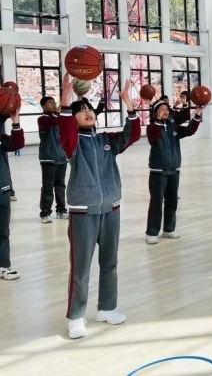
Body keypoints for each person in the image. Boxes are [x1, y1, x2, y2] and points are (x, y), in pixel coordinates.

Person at [57, 75, 141, 339]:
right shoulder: (73, 143)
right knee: (81, 268)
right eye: (81, 111)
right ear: (73, 119)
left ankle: (107, 308)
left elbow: (132, 135)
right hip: (83, 211)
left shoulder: (106, 140)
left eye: (90, 109)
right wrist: (66, 98)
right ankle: (76, 317)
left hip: (111, 209)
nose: (88, 113)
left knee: (110, 262)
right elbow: (65, 131)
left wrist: (128, 104)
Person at [145, 97, 204, 244]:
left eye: (166, 109)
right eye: (161, 109)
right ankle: (152, 232)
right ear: (155, 113)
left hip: (174, 171)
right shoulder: (152, 127)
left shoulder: (173, 126)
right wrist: (158, 121)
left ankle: (169, 229)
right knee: (156, 203)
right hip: (158, 171)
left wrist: (197, 113)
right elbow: (153, 138)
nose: (165, 111)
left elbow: (189, 131)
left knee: (172, 202)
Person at [0, 108, 24, 281]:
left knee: (3, 231)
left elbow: (17, 144)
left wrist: (15, 121)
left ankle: (4, 266)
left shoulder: (1, 138)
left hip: (2, 189)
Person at [38, 97, 68, 223]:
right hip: (48, 158)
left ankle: (61, 210)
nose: (53, 105)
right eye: (49, 103)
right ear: (43, 106)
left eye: (54, 103)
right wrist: (63, 101)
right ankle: (45, 213)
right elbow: (53, 119)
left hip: (61, 157)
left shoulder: (58, 119)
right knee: (48, 187)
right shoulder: (43, 119)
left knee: (60, 186)